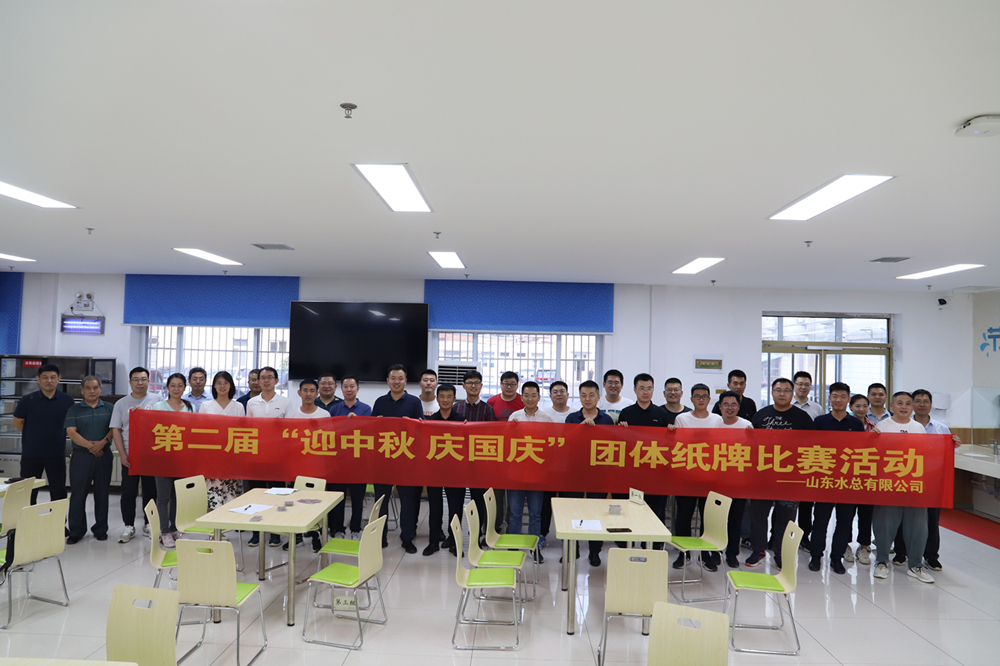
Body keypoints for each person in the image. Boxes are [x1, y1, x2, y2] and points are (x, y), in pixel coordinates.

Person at [747, 378, 814, 568]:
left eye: (786, 390)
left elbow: (812, 445)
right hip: (763, 476)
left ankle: (780, 552)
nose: (782, 394)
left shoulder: (802, 418)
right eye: (778, 390)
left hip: (790, 478)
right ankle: (758, 550)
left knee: (786, 517)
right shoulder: (761, 415)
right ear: (772, 393)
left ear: (792, 393)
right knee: (758, 515)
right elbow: (751, 445)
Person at [872, 392, 934, 583]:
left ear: (912, 407)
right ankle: (881, 561)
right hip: (888, 484)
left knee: (918, 526)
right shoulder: (882, 426)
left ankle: (915, 565)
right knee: (885, 523)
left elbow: (926, 454)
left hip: (913, 484)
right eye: (900, 403)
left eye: (908, 403)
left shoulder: (918, 428)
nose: (904, 407)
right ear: (892, 405)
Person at [896, 389, 961, 571]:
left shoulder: (941, 429)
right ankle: (901, 552)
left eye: (925, 401)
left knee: (932, 519)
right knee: (904, 517)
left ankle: (931, 556)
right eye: (917, 401)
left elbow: (949, 455)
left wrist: (954, 443)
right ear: (912, 405)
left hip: (932, 481)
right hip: (907, 478)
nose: (922, 404)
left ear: (931, 405)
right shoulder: (903, 426)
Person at [808, 382, 864, 575]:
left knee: (844, 522)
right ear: (829, 398)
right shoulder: (820, 421)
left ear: (849, 399)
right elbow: (812, 448)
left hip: (847, 481)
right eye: (835, 396)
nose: (838, 400)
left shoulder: (856, 424)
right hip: (825, 480)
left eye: (843, 396)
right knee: (820, 521)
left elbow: (861, 451)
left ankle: (836, 558)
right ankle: (816, 556)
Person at [670, 383, 724, 571]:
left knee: (707, 518)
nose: (701, 400)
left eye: (704, 396)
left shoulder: (717, 419)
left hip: (710, 477)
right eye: (697, 396)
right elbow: (678, 445)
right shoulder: (682, 418)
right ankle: (682, 553)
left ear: (709, 399)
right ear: (691, 399)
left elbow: (722, 444)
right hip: (687, 477)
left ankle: (705, 554)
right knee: (683, 517)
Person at [371, 364, 424, 552]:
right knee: (381, 502)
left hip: (406, 461)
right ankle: (380, 536)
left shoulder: (414, 402)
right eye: (393, 378)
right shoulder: (379, 402)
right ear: (387, 380)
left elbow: (421, 430)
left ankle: (407, 538)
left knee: (408, 503)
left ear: (405, 381)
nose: (396, 381)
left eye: (400, 378)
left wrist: (414, 425)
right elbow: (371, 430)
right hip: (383, 461)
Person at [564, 380, 614, 567]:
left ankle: (595, 551)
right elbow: (566, 443)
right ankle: (573, 548)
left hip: (598, 474)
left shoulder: (606, 419)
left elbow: (611, 445)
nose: (587, 398)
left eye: (591, 395)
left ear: (598, 397)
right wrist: (580, 429)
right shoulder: (571, 418)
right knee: (573, 511)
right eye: (583, 395)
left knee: (596, 512)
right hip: (574, 472)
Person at [618, 373, 671, 549]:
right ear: (635, 390)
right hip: (632, 473)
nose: (646, 392)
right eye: (642, 388)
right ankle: (627, 543)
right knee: (632, 508)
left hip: (655, 473)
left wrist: (671, 431)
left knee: (655, 509)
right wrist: (620, 429)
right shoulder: (626, 413)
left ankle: (653, 545)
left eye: (649, 388)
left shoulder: (661, 413)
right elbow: (620, 442)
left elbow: (667, 443)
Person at [12, 364, 75, 506]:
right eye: (45, 377)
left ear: (58, 379)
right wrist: (33, 433)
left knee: (58, 491)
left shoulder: (67, 400)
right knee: (28, 492)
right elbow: (17, 422)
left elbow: (71, 424)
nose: (49, 381)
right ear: (38, 379)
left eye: (53, 377)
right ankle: (27, 519)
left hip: (56, 453)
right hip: (31, 454)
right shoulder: (28, 400)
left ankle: (57, 520)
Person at [110, 366, 161, 543]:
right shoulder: (121, 403)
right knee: (129, 491)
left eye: (143, 379)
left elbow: (163, 424)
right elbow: (116, 430)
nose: (140, 383)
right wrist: (122, 454)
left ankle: (148, 524)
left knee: (150, 491)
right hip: (130, 455)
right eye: (136, 379)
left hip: (151, 456)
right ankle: (128, 526)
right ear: (130, 382)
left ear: (148, 381)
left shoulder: (158, 400)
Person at [507, 381, 552, 562]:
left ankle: (535, 549)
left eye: (534, 395)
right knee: (515, 514)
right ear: (522, 397)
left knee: (535, 515)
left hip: (537, 474)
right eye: (526, 395)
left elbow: (550, 447)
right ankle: (513, 549)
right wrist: (511, 429)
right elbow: (506, 443)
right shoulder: (514, 417)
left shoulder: (546, 419)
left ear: (539, 397)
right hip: (516, 473)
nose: (530, 398)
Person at [65, 376, 114, 543]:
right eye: (88, 388)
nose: (92, 391)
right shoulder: (74, 409)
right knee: (78, 494)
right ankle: (76, 530)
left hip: (103, 455)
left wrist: (102, 443)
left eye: (95, 387)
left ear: (100, 389)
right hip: (81, 456)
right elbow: (71, 432)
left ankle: (101, 529)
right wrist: (90, 446)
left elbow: (114, 429)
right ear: (82, 391)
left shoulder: (109, 408)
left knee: (102, 493)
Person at [149, 373, 194, 548]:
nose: (176, 389)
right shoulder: (159, 406)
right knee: (163, 497)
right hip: (162, 458)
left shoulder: (190, 407)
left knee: (177, 496)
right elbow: (150, 428)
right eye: (173, 385)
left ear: (184, 388)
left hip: (182, 459)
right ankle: (165, 531)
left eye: (180, 385)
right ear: (168, 388)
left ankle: (176, 528)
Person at [326, 375, 371, 549]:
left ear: (357, 389)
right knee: (338, 498)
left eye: (352, 386)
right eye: (346, 386)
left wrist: (357, 422)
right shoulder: (335, 409)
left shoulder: (366, 409)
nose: (349, 389)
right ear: (341, 389)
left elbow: (369, 432)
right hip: (338, 461)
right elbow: (330, 433)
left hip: (358, 462)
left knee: (357, 499)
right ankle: (338, 528)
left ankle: (355, 529)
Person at [453, 370, 496, 547]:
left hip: (479, 463)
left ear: (481, 386)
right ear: (463, 386)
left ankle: (477, 535)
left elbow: (493, 437)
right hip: (458, 462)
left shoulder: (487, 409)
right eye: (470, 383)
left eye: (477, 383)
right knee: (456, 500)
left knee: (479, 501)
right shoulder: (456, 408)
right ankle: (453, 537)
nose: (473, 386)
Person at [246, 366, 288, 546]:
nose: (266, 380)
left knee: (276, 495)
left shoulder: (285, 402)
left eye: (270, 377)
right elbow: (248, 429)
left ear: (276, 381)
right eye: (262, 377)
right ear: (258, 381)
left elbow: (289, 430)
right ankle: (256, 532)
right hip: (256, 456)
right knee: (256, 494)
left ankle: (275, 533)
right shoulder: (251, 403)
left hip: (277, 458)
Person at [425, 383, 466, 556]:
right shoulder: (429, 421)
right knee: (435, 508)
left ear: (454, 399)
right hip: (434, 471)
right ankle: (433, 542)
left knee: (456, 508)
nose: (445, 400)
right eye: (442, 396)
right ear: (437, 398)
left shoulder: (462, 421)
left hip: (456, 472)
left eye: (449, 396)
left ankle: (455, 542)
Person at [198, 371, 246, 509]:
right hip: (212, 456)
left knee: (232, 496)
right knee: (213, 495)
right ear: (214, 386)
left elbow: (242, 432)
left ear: (231, 386)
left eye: (226, 383)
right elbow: (201, 432)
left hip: (232, 456)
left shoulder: (238, 406)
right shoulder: (206, 406)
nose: (222, 386)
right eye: (219, 383)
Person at [717, 390, 753, 567]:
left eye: (733, 405)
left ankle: (732, 553)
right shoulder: (714, 423)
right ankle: (715, 551)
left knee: (735, 519)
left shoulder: (746, 425)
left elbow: (753, 452)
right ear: (719, 407)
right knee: (717, 518)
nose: (729, 408)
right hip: (716, 480)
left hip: (738, 481)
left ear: (739, 407)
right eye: (726, 404)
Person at [791, 371, 823, 552]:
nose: (803, 387)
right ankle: (778, 536)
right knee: (785, 501)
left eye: (806, 384)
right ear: (794, 385)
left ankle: (804, 536)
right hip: (788, 459)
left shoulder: (817, 409)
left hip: (809, 459)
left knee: (806, 502)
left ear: (810, 387)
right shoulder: (786, 404)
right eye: (800, 384)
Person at [539, 380, 573, 546]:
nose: (559, 394)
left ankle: (569, 538)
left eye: (562, 391)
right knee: (546, 504)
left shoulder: (575, 415)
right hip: (548, 467)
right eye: (555, 392)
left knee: (568, 504)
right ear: (550, 395)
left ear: (567, 394)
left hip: (569, 468)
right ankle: (542, 535)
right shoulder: (544, 414)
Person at [848, 393, 876, 564]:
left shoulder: (875, 428)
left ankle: (863, 547)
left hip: (868, 476)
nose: (861, 409)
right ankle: (844, 545)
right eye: (857, 406)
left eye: (865, 406)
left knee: (866, 514)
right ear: (851, 407)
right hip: (848, 475)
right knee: (847, 513)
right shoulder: (846, 424)